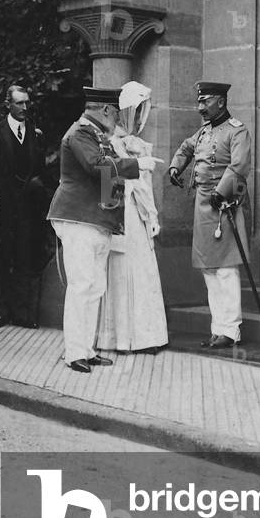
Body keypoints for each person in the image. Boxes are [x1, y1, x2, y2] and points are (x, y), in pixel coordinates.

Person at [48, 85, 159, 373]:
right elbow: (97, 166)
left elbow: (108, 177)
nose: (118, 118)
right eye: (115, 112)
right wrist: (137, 164)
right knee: (83, 285)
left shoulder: (96, 135)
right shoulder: (81, 133)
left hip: (95, 219)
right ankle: (74, 353)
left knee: (95, 286)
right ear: (107, 110)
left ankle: (86, 348)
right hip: (79, 218)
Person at [169, 81, 251, 349]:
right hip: (203, 205)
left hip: (225, 205)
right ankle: (218, 328)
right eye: (199, 102)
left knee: (226, 268)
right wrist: (175, 167)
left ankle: (231, 330)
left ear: (221, 102)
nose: (200, 107)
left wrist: (222, 191)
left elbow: (239, 166)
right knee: (209, 268)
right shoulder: (203, 132)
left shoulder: (237, 131)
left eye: (206, 102)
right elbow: (185, 148)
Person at [97, 81, 168, 354]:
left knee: (142, 272)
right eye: (134, 112)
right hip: (120, 211)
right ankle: (122, 338)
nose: (138, 118)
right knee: (121, 272)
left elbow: (145, 187)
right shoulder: (108, 143)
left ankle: (145, 336)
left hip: (137, 215)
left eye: (142, 112)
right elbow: (107, 185)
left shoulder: (135, 144)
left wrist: (151, 215)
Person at [0, 85, 50, 328]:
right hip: (3, 206)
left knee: (25, 258)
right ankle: (0, 311)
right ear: (8, 105)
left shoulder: (36, 133)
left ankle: (23, 313)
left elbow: (40, 169)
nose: (25, 108)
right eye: (20, 103)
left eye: (27, 103)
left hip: (28, 209)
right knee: (3, 258)